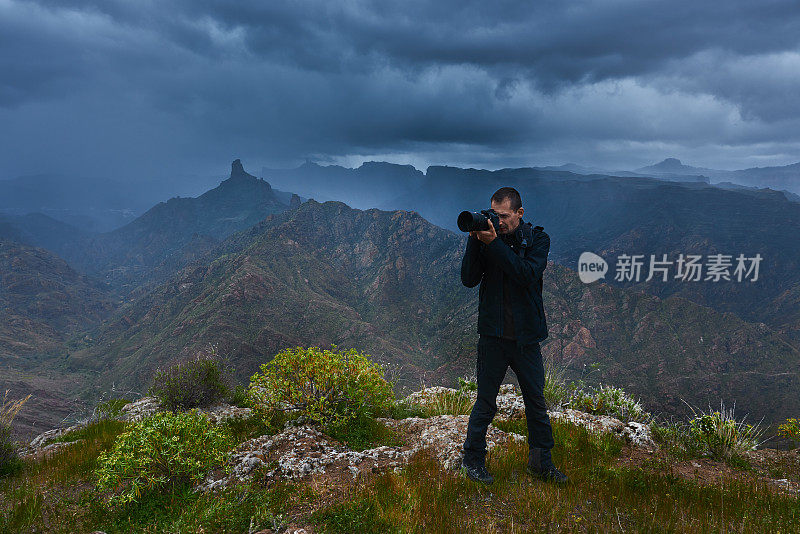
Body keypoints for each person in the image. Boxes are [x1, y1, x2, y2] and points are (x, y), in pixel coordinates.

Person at [459, 186, 568, 485]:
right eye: (495, 215)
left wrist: (494, 243)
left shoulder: (537, 240)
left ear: (520, 213)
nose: (499, 221)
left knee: (535, 402)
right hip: (493, 338)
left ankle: (541, 464)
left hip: (526, 340)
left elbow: (525, 273)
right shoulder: (488, 240)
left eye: (504, 216)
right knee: (485, 403)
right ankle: (473, 461)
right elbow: (468, 279)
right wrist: (475, 241)